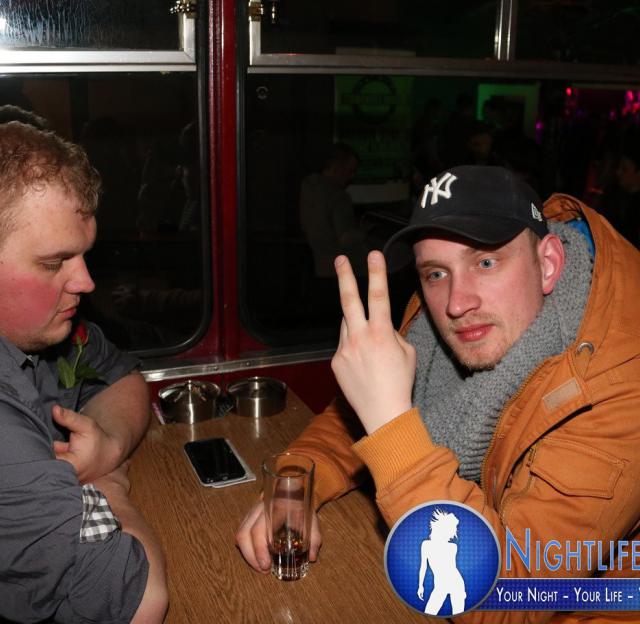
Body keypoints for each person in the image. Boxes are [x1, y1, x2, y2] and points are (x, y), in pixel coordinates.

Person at [237, 165, 640, 624]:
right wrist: (295, 488)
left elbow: (511, 599)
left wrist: (392, 423)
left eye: (485, 263)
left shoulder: (618, 384)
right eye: (435, 273)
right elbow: (356, 416)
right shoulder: (439, 324)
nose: (456, 303)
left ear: (547, 264)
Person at [0, 121, 168, 623]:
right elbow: (140, 603)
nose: (86, 281)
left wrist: (106, 448)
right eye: (54, 263)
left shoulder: (45, 331)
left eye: (83, 255)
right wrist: (109, 485)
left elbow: (123, 378)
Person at [299, 142, 369, 279]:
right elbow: (345, 238)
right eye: (350, 170)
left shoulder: (307, 187)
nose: (351, 176)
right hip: (347, 269)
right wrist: (365, 231)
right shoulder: (338, 196)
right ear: (336, 166)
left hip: (320, 267)